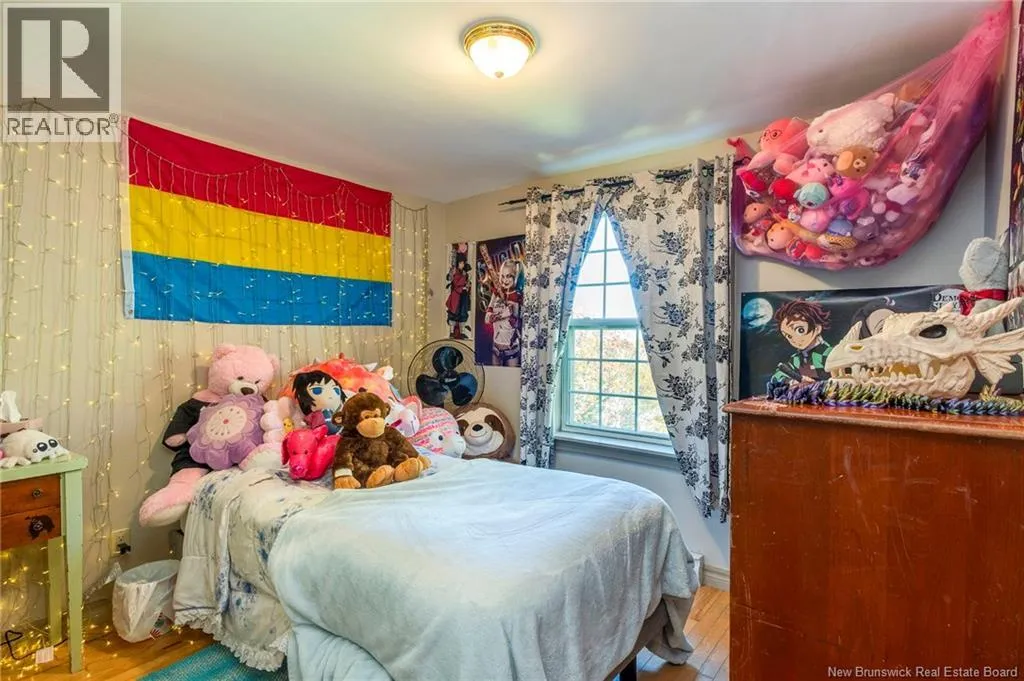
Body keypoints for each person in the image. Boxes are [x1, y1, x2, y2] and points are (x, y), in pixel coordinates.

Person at [770, 300, 832, 387]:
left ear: (817, 328)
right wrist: (792, 382)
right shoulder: (797, 359)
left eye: (800, 330)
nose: (794, 339)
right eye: (789, 336)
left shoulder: (830, 354)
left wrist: (818, 384)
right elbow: (776, 377)